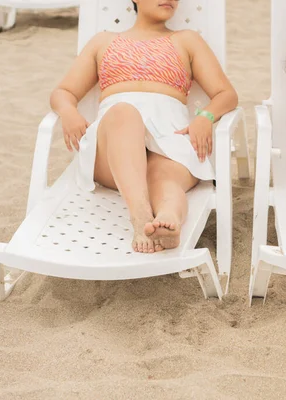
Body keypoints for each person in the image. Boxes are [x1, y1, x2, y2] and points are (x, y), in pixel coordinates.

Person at [50, 0, 238, 253]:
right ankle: (140, 214)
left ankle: (168, 218)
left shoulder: (186, 40)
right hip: (113, 150)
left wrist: (205, 116)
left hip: (170, 140)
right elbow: (64, 91)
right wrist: (68, 111)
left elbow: (226, 94)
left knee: (166, 180)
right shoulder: (103, 41)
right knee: (124, 112)